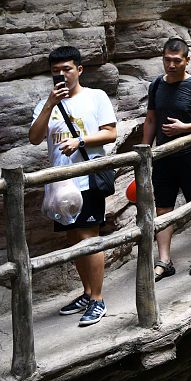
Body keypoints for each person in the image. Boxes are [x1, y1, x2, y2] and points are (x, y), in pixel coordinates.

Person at [28, 46, 117, 327]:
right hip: (60, 182)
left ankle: (98, 299)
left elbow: (110, 132)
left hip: (87, 176)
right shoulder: (47, 103)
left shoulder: (95, 97)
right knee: (73, 239)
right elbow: (34, 138)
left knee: (89, 237)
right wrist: (48, 105)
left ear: (79, 70)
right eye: (56, 71)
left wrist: (80, 142)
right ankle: (87, 292)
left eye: (67, 69)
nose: (62, 75)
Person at [143, 38, 191, 280]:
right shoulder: (156, 85)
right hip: (164, 155)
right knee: (163, 207)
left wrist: (186, 127)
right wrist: (145, 151)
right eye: (167, 60)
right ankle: (164, 260)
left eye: (177, 61)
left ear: (186, 61)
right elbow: (151, 119)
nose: (171, 65)